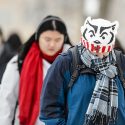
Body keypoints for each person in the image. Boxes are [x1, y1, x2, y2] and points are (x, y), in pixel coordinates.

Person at [39, 17, 125, 125]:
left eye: (103, 50)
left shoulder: (121, 62)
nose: (99, 55)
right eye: (93, 50)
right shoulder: (66, 62)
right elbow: (49, 108)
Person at [0, 15, 72, 125]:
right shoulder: (20, 62)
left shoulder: (74, 63)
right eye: (47, 39)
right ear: (38, 37)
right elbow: (6, 101)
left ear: (64, 38)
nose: (52, 44)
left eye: (58, 40)